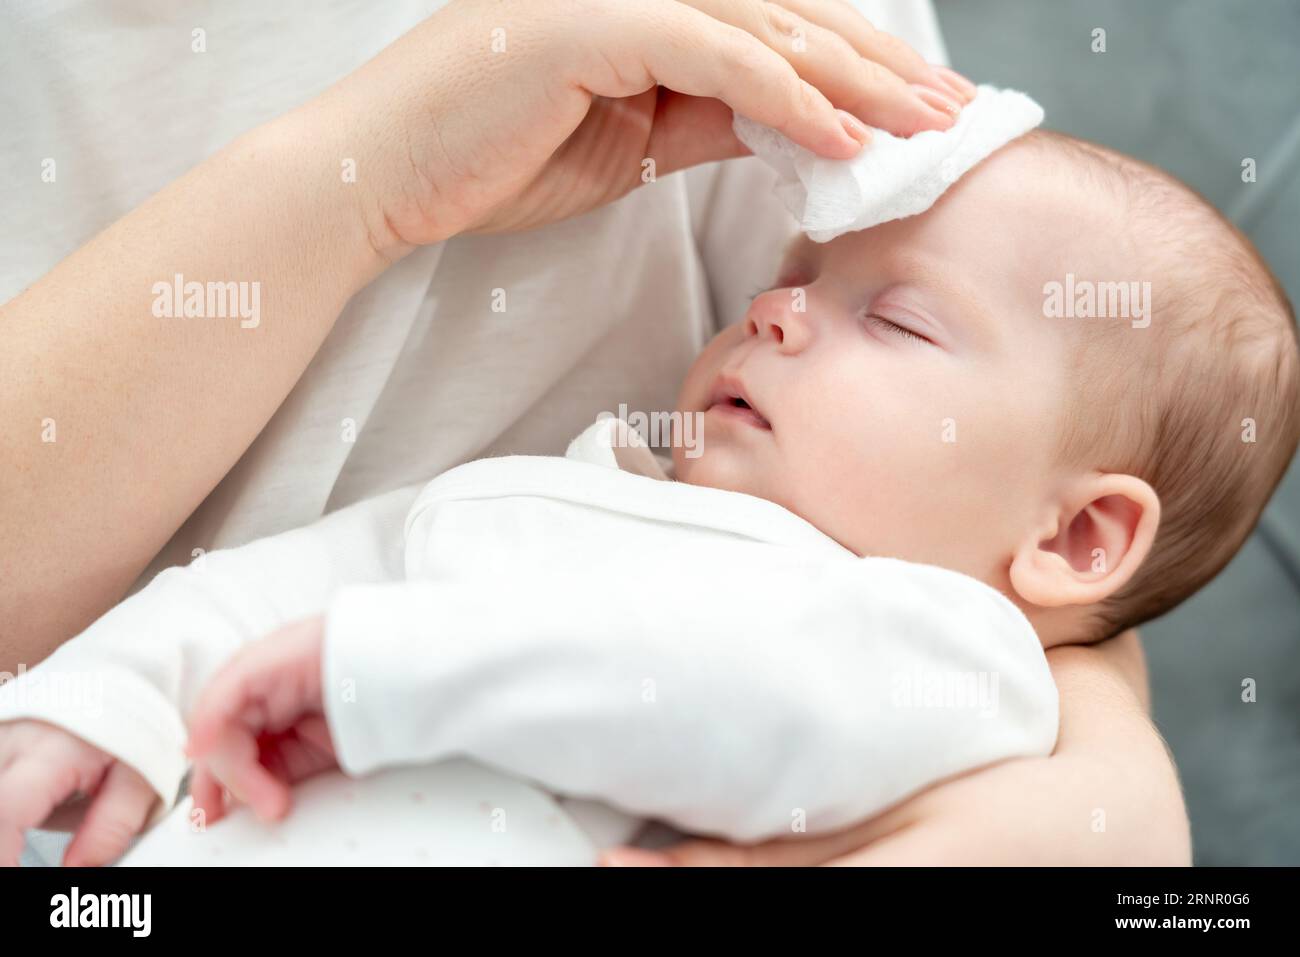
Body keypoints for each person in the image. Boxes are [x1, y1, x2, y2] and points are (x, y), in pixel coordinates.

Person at [0, 0, 1190, 867]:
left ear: (1080, 536)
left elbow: (705, 692)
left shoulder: (943, 646)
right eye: (790, 276)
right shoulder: (557, 493)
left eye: (890, 319)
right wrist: (118, 697)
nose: (772, 309)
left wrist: (382, 668)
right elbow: (284, 588)